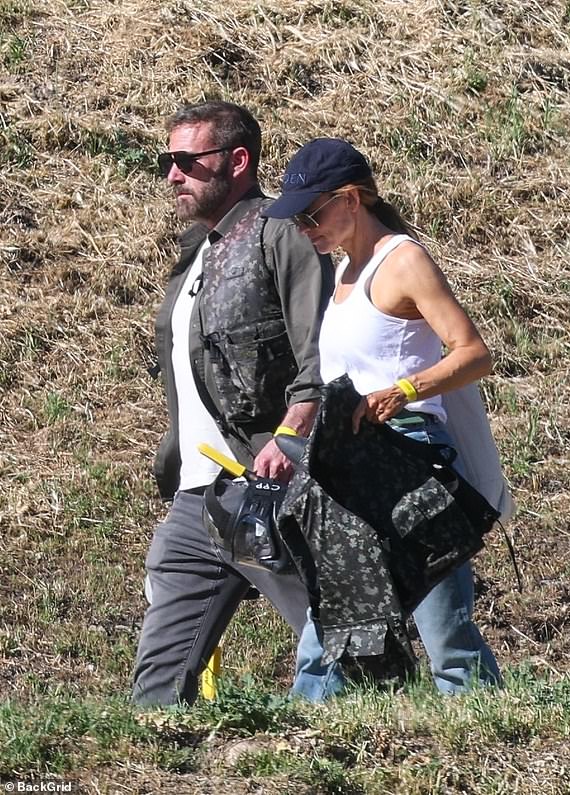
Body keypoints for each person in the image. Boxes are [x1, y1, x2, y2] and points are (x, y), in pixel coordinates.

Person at [263, 137, 502, 696]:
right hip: (349, 461)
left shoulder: (403, 261)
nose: (304, 229)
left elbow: (473, 353)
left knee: (441, 620)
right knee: (334, 604)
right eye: (296, 219)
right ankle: (308, 723)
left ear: (351, 199)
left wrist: (403, 389)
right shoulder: (345, 272)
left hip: (410, 455)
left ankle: (483, 722)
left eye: (311, 214)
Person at [131, 102, 335, 706]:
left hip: (270, 483)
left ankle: (374, 735)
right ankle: (158, 753)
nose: (173, 174)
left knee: (338, 638)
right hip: (198, 491)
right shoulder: (197, 253)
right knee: (158, 684)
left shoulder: (282, 236)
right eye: (169, 161)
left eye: (187, 161)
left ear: (237, 161)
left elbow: (323, 353)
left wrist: (291, 437)